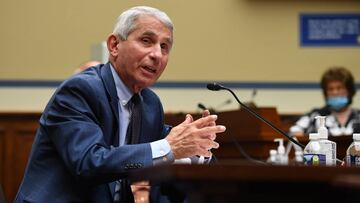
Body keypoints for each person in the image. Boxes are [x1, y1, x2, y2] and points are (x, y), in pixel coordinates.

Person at [14, 6, 226, 203]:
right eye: (146, 40)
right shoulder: (80, 90)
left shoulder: (150, 104)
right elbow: (89, 163)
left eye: (164, 46)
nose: (157, 55)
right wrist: (170, 147)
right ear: (114, 45)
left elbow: (153, 162)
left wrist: (196, 152)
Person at [289, 66, 360, 137]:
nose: (335, 92)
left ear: (349, 91)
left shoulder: (358, 116)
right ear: (325, 93)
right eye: (330, 89)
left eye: (339, 88)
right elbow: (293, 132)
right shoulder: (315, 116)